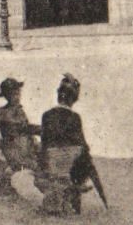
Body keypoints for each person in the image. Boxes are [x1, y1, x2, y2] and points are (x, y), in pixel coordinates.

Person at [37, 72, 94, 214]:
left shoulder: (47, 115)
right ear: (73, 99)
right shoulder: (75, 117)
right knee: (83, 155)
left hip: (51, 163)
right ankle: (73, 194)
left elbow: (44, 141)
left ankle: (57, 197)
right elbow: (82, 145)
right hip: (69, 166)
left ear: (59, 96)